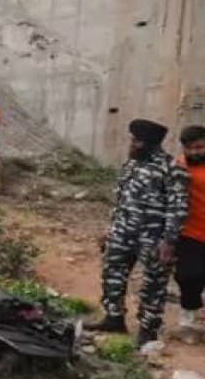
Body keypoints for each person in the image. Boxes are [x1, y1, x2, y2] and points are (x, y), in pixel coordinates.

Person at [86, 119, 188, 347]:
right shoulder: (131, 164)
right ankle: (114, 318)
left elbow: (178, 208)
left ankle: (147, 330)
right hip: (122, 232)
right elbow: (122, 199)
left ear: (149, 143)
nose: (131, 144)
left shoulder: (172, 169)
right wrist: (111, 228)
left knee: (153, 284)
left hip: (153, 238)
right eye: (132, 139)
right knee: (112, 273)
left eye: (136, 141)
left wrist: (169, 241)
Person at [174, 125, 205, 330]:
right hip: (190, 232)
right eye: (190, 148)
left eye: (200, 147)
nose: (194, 152)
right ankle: (188, 318)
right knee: (188, 276)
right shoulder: (178, 167)